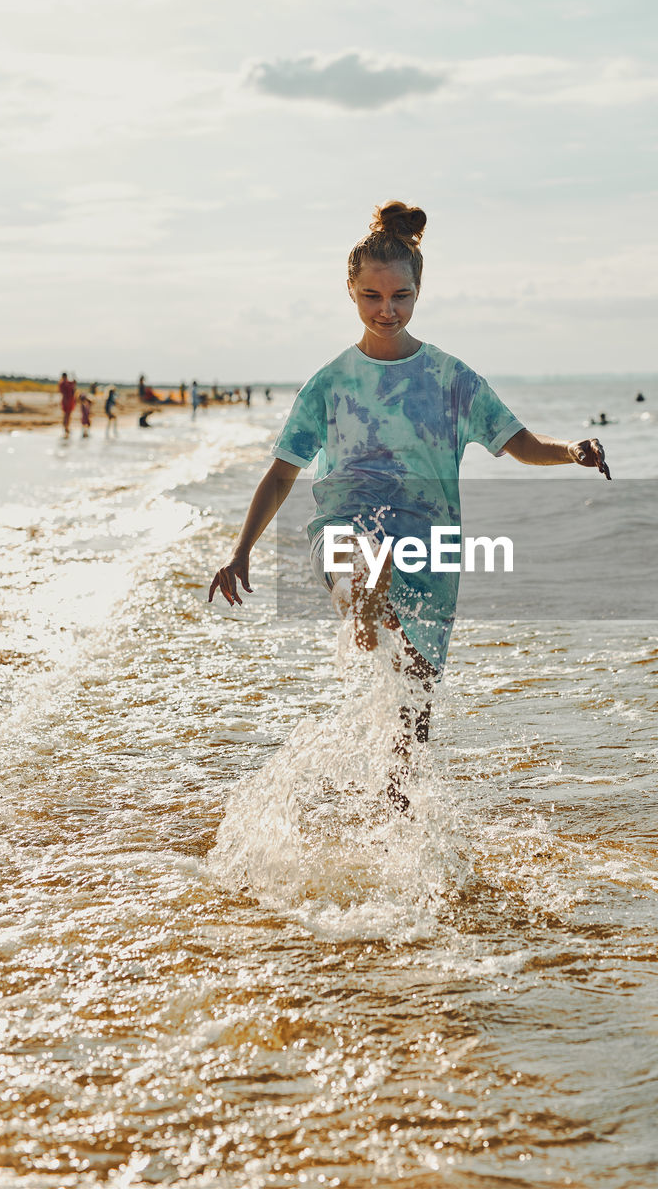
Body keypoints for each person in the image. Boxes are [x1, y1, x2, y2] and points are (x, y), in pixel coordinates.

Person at [208, 201, 609, 809]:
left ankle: (394, 815)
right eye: (372, 296)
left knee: (414, 705)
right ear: (351, 292)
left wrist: (572, 451)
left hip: (429, 548)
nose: (386, 309)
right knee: (351, 567)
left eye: (400, 296)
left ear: (419, 293)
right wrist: (241, 548)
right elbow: (282, 470)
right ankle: (365, 593)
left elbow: (520, 443)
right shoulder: (331, 383)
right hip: (349, 523)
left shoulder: (452, 379)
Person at [58, 372, 77, 437]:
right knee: (67, 415)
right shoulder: (64, 383)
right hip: (67, 400)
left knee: (67, 414)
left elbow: (74, 384)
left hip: (68, 400)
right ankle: (66, 428)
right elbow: (73, 385)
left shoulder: (63, 383)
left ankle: (66, 428)